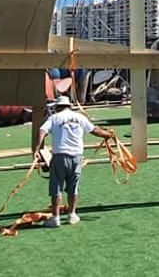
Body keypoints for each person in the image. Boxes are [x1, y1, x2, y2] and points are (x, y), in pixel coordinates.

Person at [33, 95, 116, 227]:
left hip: (60, 155)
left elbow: (41, 131)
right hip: (76, 157)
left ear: (57, 107)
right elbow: (95, 130)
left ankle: (56, 218)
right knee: (73, 187)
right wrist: (109, 135)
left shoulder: (54, 118)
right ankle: (72, 214)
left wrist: (37, 150)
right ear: (69, 106)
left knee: (56, 187)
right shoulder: (80, 117)